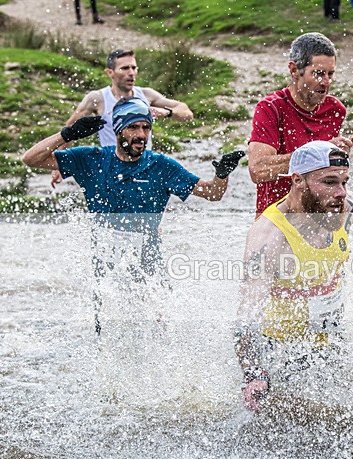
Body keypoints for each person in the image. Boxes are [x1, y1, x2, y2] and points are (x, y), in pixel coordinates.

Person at [21, 97, 244, 332]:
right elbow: (30, 159)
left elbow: (212, 193)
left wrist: (222, 174)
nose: (141, 135)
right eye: (133, 127)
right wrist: (66, 135)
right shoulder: (91, 159)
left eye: (146, 127)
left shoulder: (161, 166)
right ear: (118, 130)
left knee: (156, 330)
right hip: (106, 270)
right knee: (108, 333)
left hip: (149, 267)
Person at [235, 140, 353, 413]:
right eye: (330, 182)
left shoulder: (344, 207)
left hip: (330, 344)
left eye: (344, 182)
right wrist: (254, 373)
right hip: (282, 353)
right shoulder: (269, 236)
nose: (341, 192)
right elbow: (247, 315)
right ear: (298, 180)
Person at [248, 32, 353, 216]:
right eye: (318, 74)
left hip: (318, 217)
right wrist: (317, 153)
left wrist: (336, 158)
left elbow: (322, 174)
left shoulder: (335, 109)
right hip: (275, 218)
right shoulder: (271, 108)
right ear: (294, 70)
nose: (326, 82)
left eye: (331, 74)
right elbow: (258, 170)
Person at [52, 49, 194, 187]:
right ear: (110, 72)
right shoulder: (98, 99)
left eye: (134, 68)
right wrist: (60, 165)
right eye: (125, 68)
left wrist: (167, 112)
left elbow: (187, 113)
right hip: (111, 167)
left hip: (144, 165)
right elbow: (70, 129)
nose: (131, 73)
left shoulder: (146, 95)